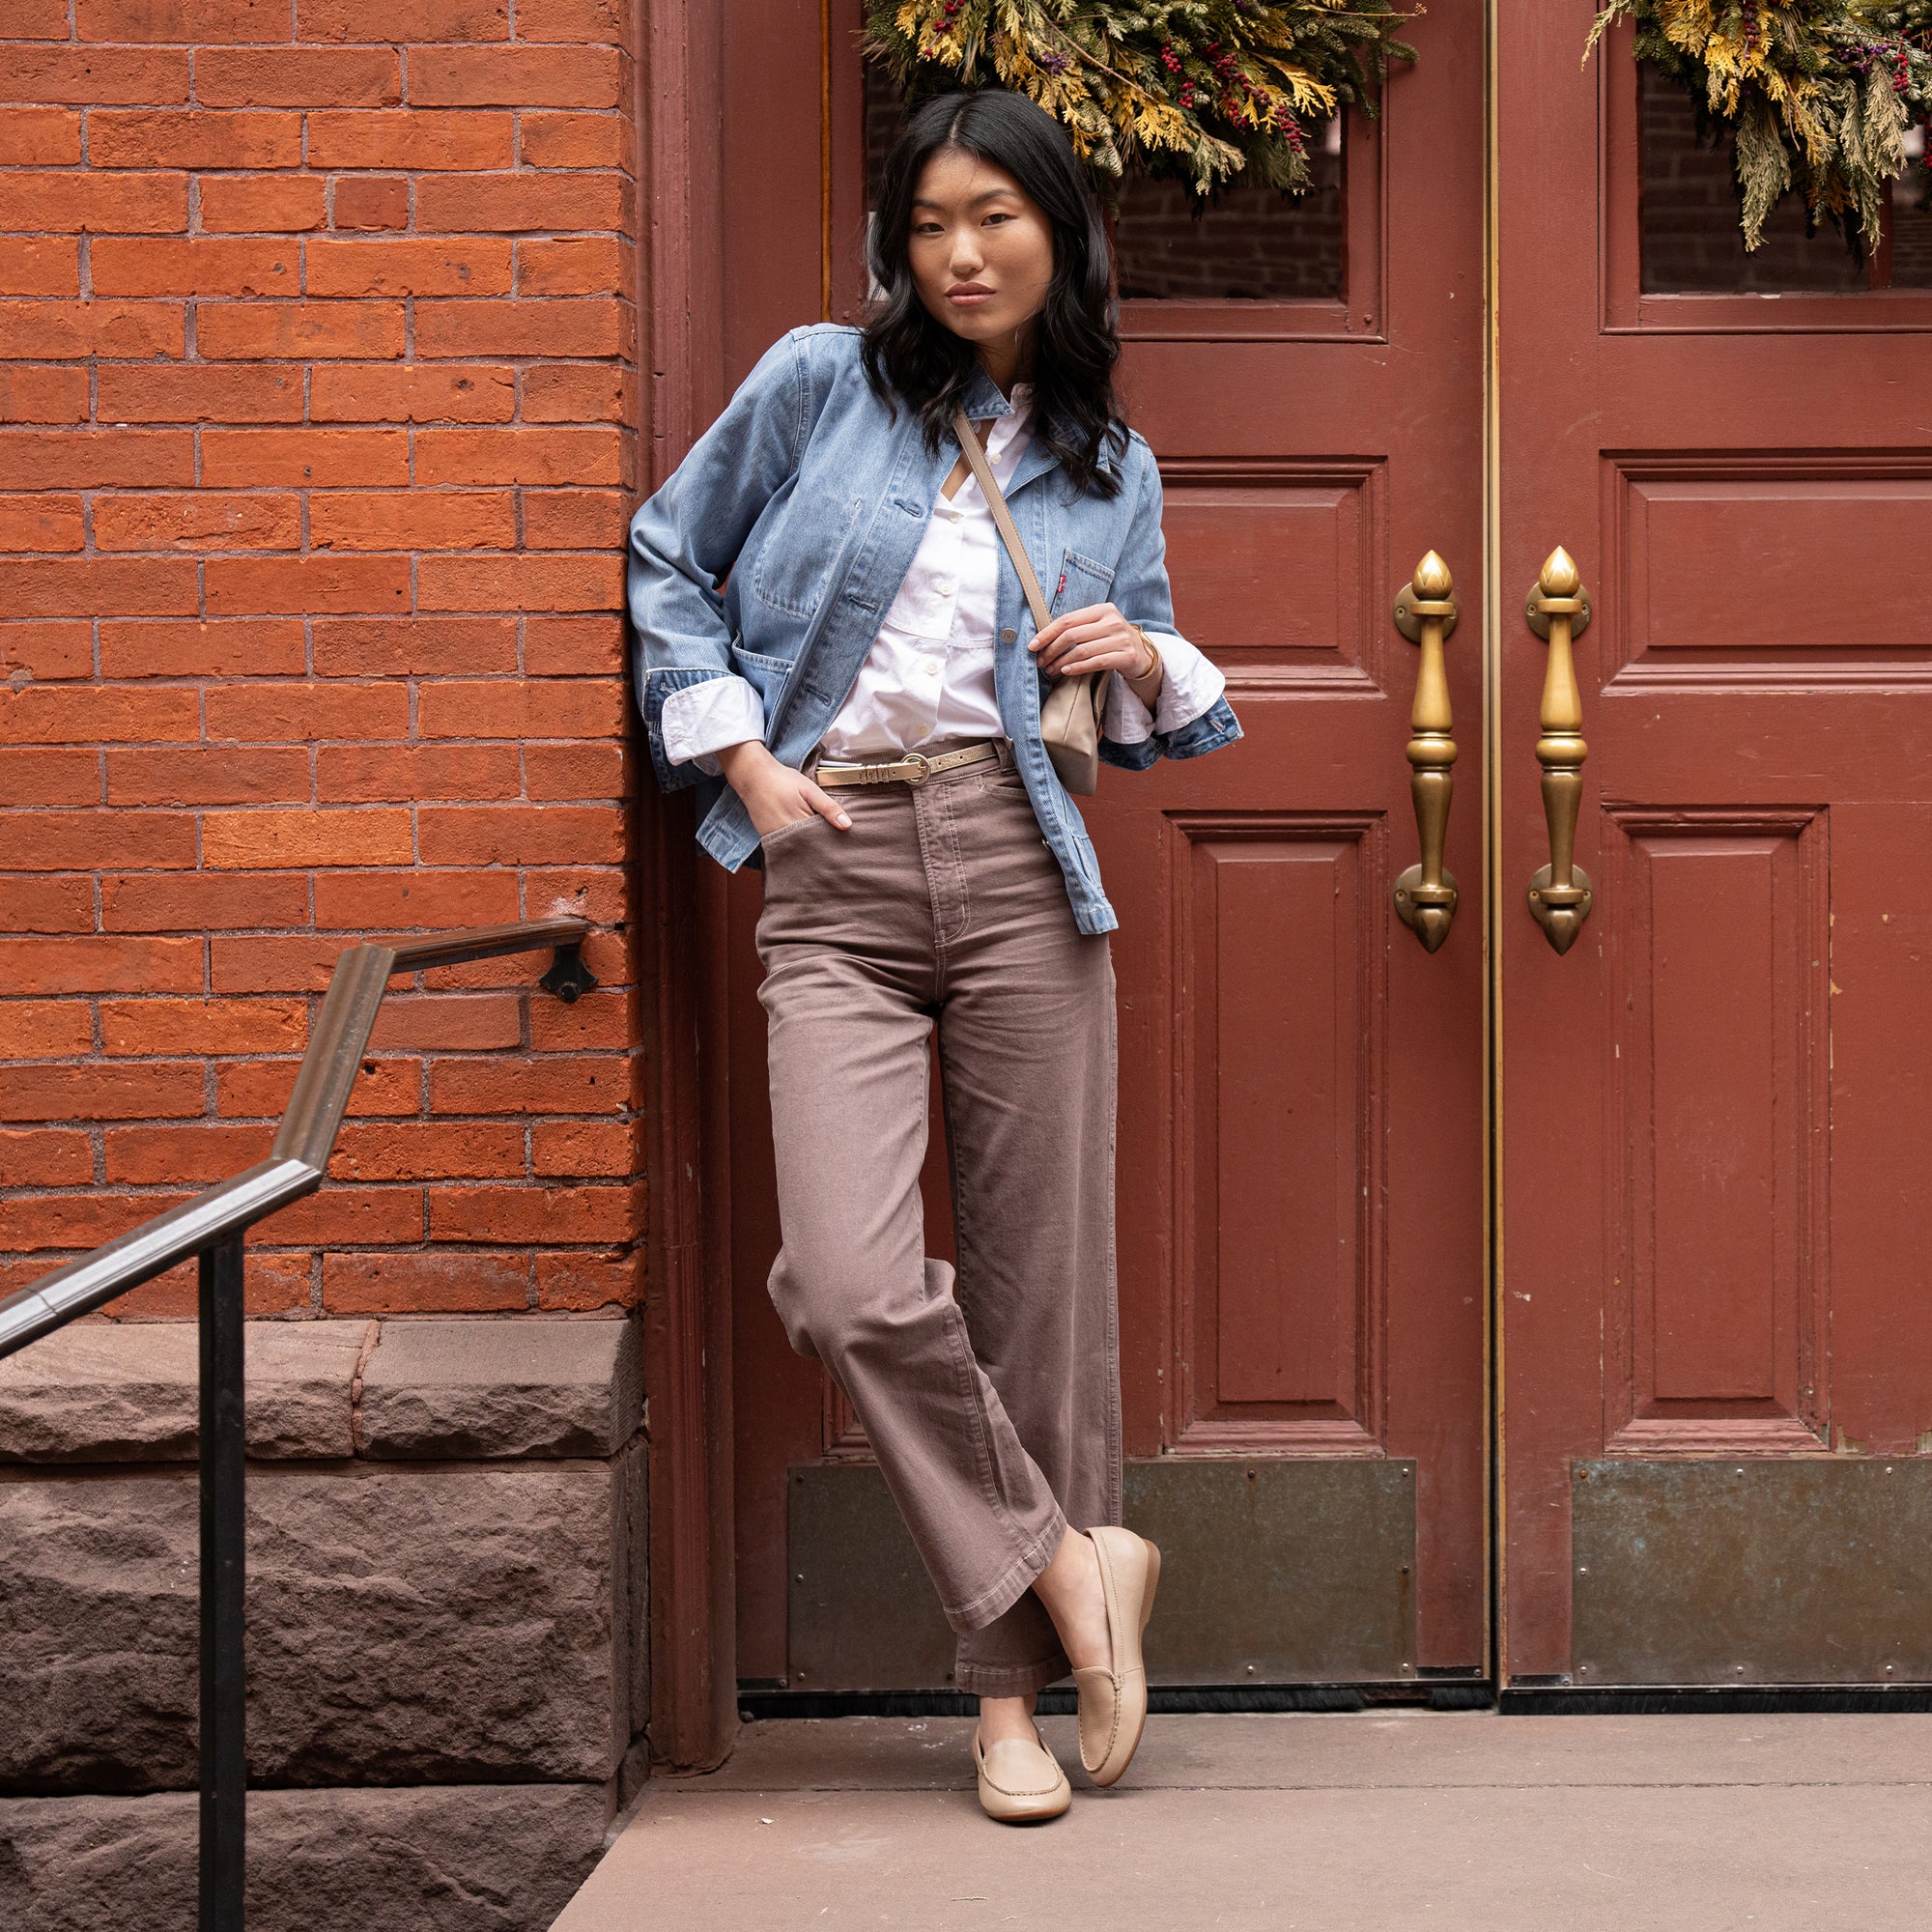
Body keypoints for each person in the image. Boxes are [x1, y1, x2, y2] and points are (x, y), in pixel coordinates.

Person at [627, 86, 1241, 1824]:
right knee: (843, 1277)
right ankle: (1070, 1562)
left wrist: (1139, 650)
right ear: (897, 249)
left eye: (998, 217)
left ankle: (1005, 1715)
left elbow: (1158, 710)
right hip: (834, 856)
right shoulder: (822, 382)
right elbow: (668, 560)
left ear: (1060, 225)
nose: (964, 255)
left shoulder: (1111, 461)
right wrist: (741, 759)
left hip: (1022, 861)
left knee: (1044, 1307)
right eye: (930, 225)